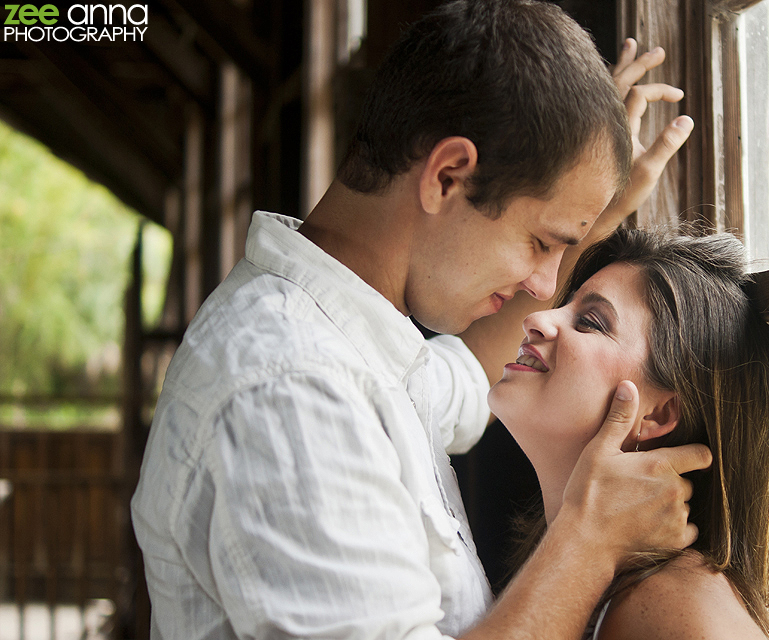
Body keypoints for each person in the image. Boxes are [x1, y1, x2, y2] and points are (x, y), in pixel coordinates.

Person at [131, 1, 711, 639]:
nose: (547, 286)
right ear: (448, 176)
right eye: (541, 243)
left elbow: (466, 377)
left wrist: (582, 218)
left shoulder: (352, 344)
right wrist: (591, 540)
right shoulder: (292, 385)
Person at [487, 227, 769, 640]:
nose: (536, 318)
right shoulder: (597, 580)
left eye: (590, 322)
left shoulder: (675, 606)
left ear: (658, 414)